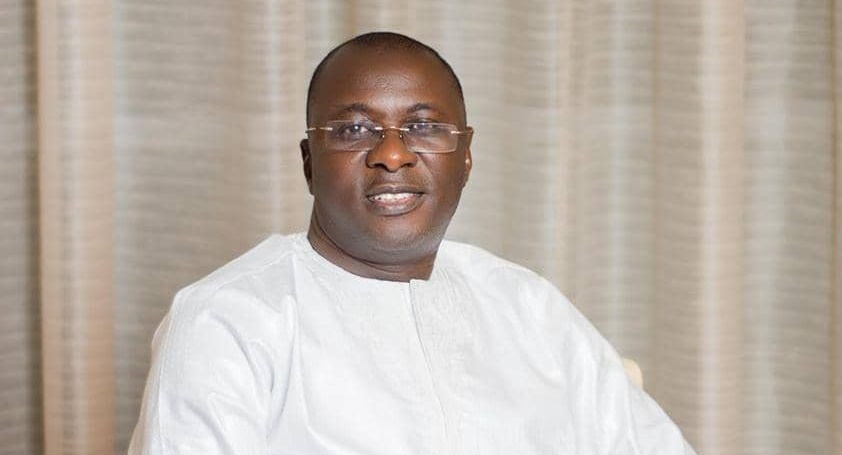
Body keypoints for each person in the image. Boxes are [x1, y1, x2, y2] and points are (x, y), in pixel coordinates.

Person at [128, 32, 696, 455]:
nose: (393, 154)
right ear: (309, 163)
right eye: (354, 130)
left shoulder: (528, 308)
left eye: (424, 127)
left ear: (466, 158)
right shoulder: (230, 319)